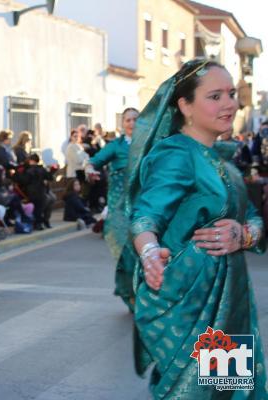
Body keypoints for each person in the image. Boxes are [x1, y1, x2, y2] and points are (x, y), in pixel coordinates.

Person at [126, 59, 267, 398]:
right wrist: (149, 253)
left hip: (228, 300)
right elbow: (146, 216)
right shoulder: (176, 154)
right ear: (185, 106)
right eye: (215, 96)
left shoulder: (222, 162)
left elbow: (255, 218)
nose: (230, 103)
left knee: (226, 389)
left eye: (231, 94)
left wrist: (243, 234)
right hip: (191, 305)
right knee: (197, 392)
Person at [86, 107, 139, 310]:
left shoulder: (151, 143)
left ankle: (146, 293)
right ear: (122, 123)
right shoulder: (115, 146)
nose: (132, 123)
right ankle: (129, 292)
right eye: (128, 120)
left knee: (145, 249)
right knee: (125, 250)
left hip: (144, 202)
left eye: (136, 119)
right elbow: (94, 161)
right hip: (119, 204)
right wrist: (90, 170)